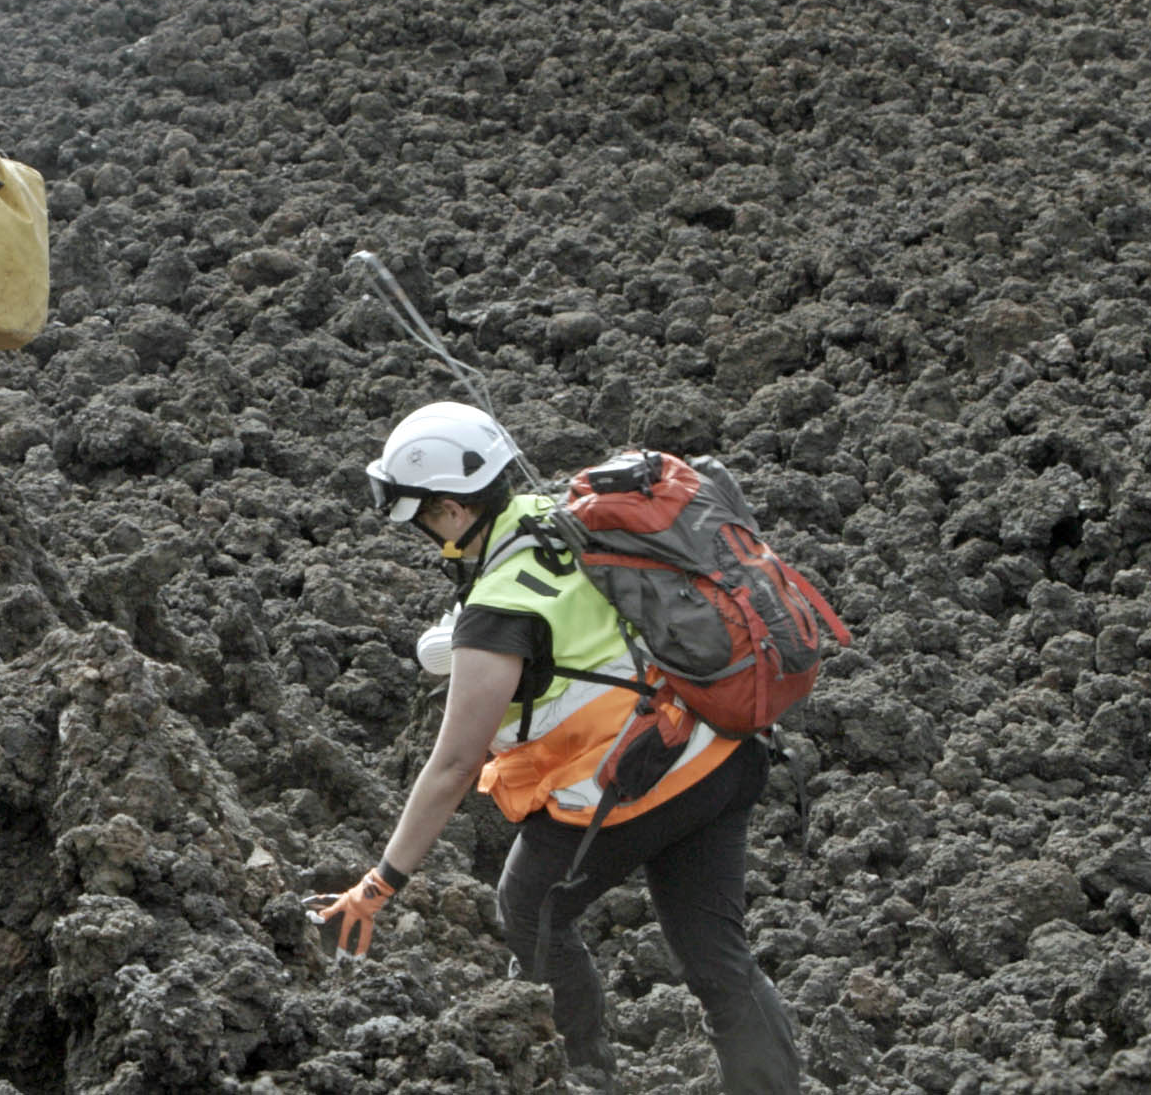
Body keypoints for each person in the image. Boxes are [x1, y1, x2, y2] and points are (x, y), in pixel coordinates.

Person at [308, 401, 798, 1092]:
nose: (423, 534)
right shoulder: (565, 513)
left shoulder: (499, 611)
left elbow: (454, 766)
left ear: (451, 509)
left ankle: (579, 1076)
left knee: (530, 910)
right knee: (718, 958)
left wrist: (380, 883)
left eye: (422, 518)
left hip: (639, 779)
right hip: (720, 747)